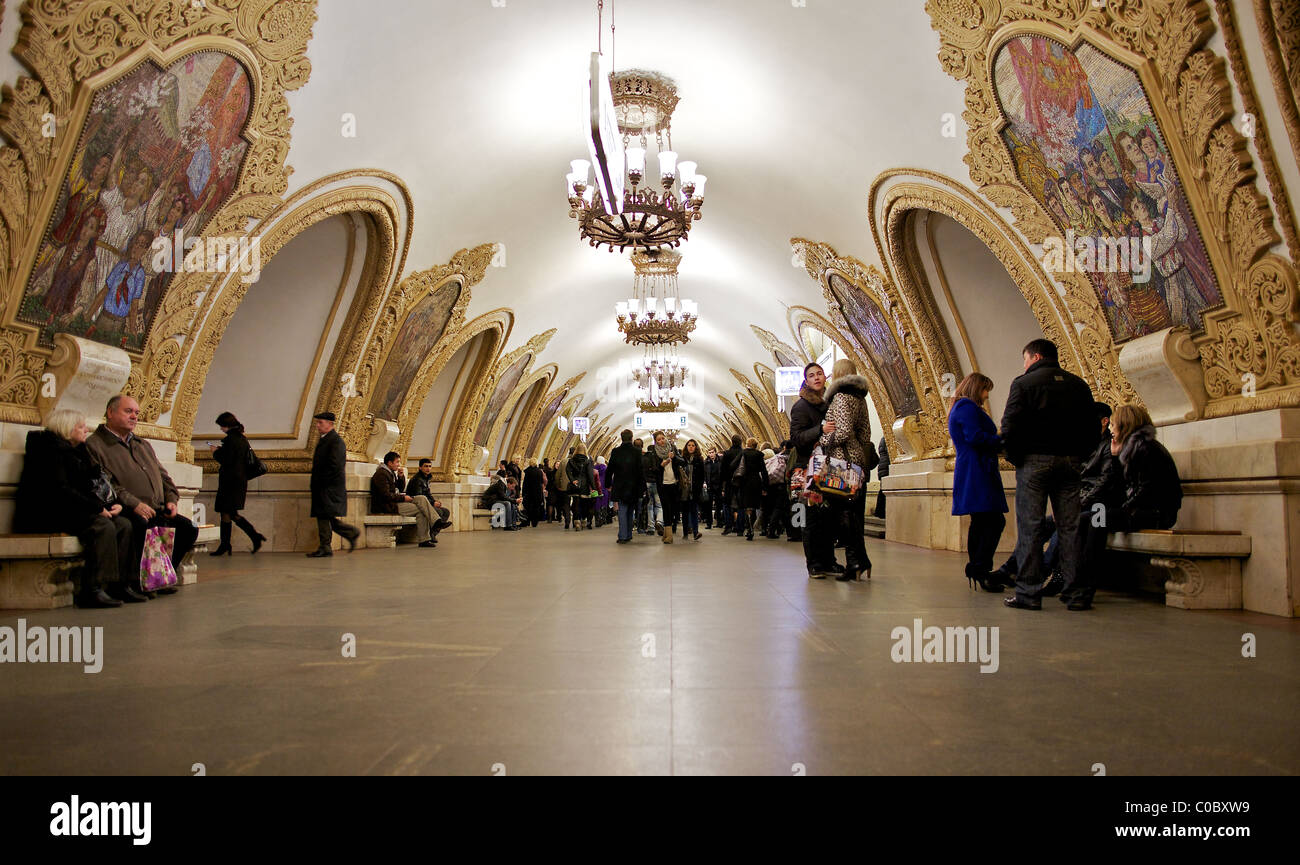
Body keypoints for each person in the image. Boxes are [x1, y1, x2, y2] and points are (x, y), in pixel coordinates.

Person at [1000, 339, 1097, 610]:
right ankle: (1075, 593)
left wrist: (1017, 458)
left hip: (1034, 463)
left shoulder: (1023, 384)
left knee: (1031, 527)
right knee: (1070, 528)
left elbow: (1009, 427)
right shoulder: (1079, 385)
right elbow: (1092, 427)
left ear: (1036, 356)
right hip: (1070, 463)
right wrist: (1080, 456)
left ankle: (1028, 593)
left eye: (1025, 358)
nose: (1025, 364)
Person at [1068, 403, 1182, 610]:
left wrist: (1123, 509)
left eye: (1114, 425)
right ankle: (1075, 582)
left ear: (1125, 425)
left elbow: (1147, 490)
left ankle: (1085, 590)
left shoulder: (1147, 449)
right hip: (1137, 510)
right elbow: (1121, 486)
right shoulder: (1133, 447)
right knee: (1087, 517)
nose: (1111, 429)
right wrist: (1113, 457)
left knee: (1096, 520)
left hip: (1155, 513)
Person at [16, 409, 135, 607]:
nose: (86, 429)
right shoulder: (48, 450)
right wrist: (97, 509)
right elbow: (59, 490)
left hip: (75, 508)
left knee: (123, 524)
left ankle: (119, 584)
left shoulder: (79, 451)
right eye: (81, 426)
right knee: (103, 527)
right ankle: (92, 588)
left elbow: (93, 484)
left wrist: (111, 505)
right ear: (66, 428)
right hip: (49, 512)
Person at [86, 394, 196, 592]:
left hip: (157, 507)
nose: (134, 416)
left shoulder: (142, 444)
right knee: (140, 524)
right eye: (128, 411)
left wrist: (171, 499)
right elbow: (107, 483)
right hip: (128, 508)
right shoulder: (96, 444)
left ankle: (158, 575)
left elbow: (163, 476)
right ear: (110, 413)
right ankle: (137, 582)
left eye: (137, 412)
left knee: (188, 528)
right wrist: (134, 503)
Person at [948, 373, 1007, 592]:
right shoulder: (967, 407)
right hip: (977, 469)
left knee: (982, 521)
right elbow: (974, 437)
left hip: (974, 467)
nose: (986, 395)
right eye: (985, 390)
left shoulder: (961, 407)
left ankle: (977, 568)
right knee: (992, 521)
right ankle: (980, 568)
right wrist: (1001, 439)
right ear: (976, 388)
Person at [818, 359, 875, 580]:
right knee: (852, 513)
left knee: (843, 514)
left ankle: (855, 562)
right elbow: (866, 434)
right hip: (857, 460)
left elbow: (842, 433)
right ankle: (860, 560)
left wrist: (823, 438)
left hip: (842, 462)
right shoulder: (860, 398)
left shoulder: (841, 397)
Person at [789, 363, 841, 578]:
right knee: (810, 517)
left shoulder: (830, 403)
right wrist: (820, 429)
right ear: (806, 381)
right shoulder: (801, 407)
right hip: (807, 469)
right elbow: (797, 439)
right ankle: (814, 564)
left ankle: (829, 561)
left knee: (829, 516)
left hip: (828, 467)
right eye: (811, 375)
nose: (816, 378)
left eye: (819, 373)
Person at [206, 411, 266, 555]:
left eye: (221, 426)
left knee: (228, 512)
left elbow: (227, 460)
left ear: (226, 425)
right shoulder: (241, 439)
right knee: (229, 513)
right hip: (238, 481)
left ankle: (233, 542)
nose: (221, 429)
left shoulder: (231, 440)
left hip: (230, 482)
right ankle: (243, 540)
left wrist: (215, 452)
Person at [305, 411, 359, 557]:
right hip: (323, 486)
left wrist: (323, 484)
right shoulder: (326, 440)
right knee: (324, 516)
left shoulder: (335, 441)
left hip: (328, 487)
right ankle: (334, 542)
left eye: (320, 423)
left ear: (330, 424)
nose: (317, 426)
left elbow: (335, 465)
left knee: (324, 515)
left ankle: (332, 543)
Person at [371, 451, 438, 548]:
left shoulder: (390, 473)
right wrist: (403, 498)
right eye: (397, 462)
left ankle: (435, 523)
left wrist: (401, 477)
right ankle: (427, 535)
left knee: (421, 498)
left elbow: (400, 489)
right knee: (422, 509)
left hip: (393, 503)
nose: (399, 464)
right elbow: (385, 495)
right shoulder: (381, 474)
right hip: (386, 506)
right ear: (390, 463)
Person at [605, 429, 646, 544]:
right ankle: (628, 534)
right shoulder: (637, 452)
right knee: (631, 510)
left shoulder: (615, 451)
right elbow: (640, 471)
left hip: (620, 485)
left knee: (622, 509)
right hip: (633, 486)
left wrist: (608, 484)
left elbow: (610, 470)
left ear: (621, 437)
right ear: (631, 438)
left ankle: (623, 535)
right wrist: (642, 487)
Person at [406, 459, 453, 540]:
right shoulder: (417, 479)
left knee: (446, 511)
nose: (428, 468)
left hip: (426, 502)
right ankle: (433, 531)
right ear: (420, 467)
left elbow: (428, 494)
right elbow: (419, 496)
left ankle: (432, 533)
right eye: (426, 466)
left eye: (430, 466)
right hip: (416, 503)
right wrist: (432, 503)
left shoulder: (426, 478)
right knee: (439, 511)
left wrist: (434, 501)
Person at [649, 432, 682, 544]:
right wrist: (661, 466)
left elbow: (682, 462)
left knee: (673, 509)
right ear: (655, 441)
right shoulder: (654, 453)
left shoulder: (672, 448)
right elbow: (653, 470)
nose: (662, 441)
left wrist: (675, 458)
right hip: (662, 485)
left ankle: (667, 533)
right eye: (659, 439)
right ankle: (669, 535)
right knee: (665, 508)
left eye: (663, 438)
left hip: (674, 483)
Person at [735, 437, 770, 542]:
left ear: (747, 444)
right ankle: (751, 526)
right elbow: (764, 472)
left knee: (747, 506)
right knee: (754, 505)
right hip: (756, 482)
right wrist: (765, 486)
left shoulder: (743, 453)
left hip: (745, 482)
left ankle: (749, 528)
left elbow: (733, 465)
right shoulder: (759, 455)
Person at [678, 438, 705, 540]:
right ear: (686, 447)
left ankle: (695, 532)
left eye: (693, 445)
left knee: (694, 510)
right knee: (685, 512)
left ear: (696, 447)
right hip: (684, 489)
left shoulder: (699, 460)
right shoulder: (682, 459)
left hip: (695, 489)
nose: (691, 447)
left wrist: (699, 486)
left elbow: (702, 475)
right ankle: (685, 532)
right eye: (689, 445)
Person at [566, 444, 597, 531]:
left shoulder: (571, 461)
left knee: (576, 503)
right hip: (584, 485)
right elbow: (590, 475)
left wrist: (572, 480)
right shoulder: (588, 461)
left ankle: (576, 522)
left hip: (575, 485)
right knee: (584, 504)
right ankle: (583, 519)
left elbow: (567, 471)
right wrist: (593, 487)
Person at [718, 435, 744, 536]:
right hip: (741, 482)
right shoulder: (743, 453)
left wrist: (722, 484)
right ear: (741, 442)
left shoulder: (727, 454)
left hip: (729, 482)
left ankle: (728, 526)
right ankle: (740, 528)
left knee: (727, 504)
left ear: (731, 442)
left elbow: (723, 470)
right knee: (741, 505)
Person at [763, 443, 789, 539]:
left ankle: (771, 529)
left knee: (775, 508)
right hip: (783, 486)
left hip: (772, 486)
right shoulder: (788, 458)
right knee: (781, 508)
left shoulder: (774, 459)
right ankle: (775, 530)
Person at [641, 438, 664, 534]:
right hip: (656, 483)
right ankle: (659, 521)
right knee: (659, 505)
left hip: (647, 483)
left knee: (649, 506)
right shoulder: (657, 457)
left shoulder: (644, 458)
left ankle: (650, 528)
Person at [523, 457, 546, 528]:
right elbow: (542, 482)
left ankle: (527, 521)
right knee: (536, 507)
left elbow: (525, 483)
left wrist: (524, 492)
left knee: (528, 507)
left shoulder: (527, 471)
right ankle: (534, 522)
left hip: (529, 491)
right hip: (537, 492)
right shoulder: (539, 471)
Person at [874, 436, 890, 520]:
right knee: (885, 491)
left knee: (883, 489)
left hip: (882, 468)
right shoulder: (888, 438)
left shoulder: (883, 439)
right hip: (887, 468)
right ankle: (881, 512)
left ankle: (880, 512)